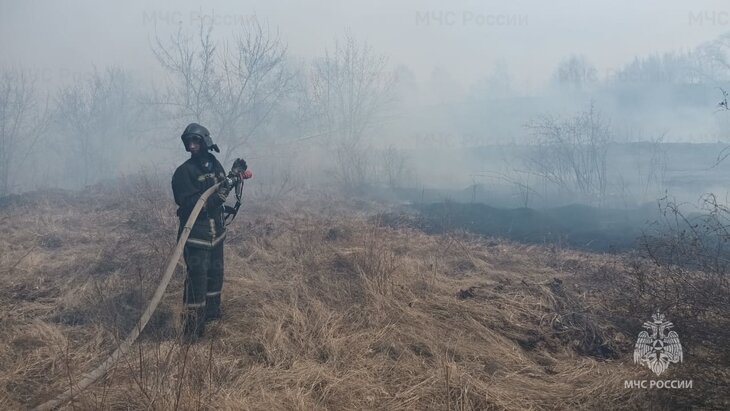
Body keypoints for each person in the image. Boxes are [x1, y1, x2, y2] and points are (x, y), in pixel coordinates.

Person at [171, 123, 250, 341]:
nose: (192, 146)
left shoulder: (214, 164)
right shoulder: (184, 173)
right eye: (189, 142)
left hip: (216, 235)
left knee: (215, 277)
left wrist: (234, 176)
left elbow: (222, 186)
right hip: (196, 238)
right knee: (197, 282)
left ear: (205, 142)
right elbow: (189, 205)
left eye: (195, 142)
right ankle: (192, 332)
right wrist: (217, 197)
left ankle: (212, 321)